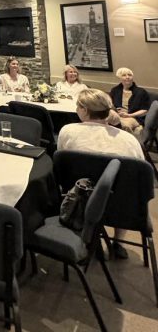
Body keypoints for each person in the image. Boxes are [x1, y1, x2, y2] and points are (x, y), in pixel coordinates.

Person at [58, 88, 144, 258]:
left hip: (78, 201)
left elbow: (61, 166)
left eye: (77, 106)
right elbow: (139, 176)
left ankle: (87, 236)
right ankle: (118, 242)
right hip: (122, 208)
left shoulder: (67, 131)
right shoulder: (129, 140)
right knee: (123, 186)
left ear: (84, 110)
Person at [107, 67, 150, 135]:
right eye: (124, 75)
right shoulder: (115, 90)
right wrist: (115, 110)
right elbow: (109, 105)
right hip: (117, 115)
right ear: (120, 78)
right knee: (104, 122)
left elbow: (145, 110)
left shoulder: (141, 92)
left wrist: (129, 115)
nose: (127, 77)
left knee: (124, 125)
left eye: (129, 75)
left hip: (134, 117)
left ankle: (129, 144)